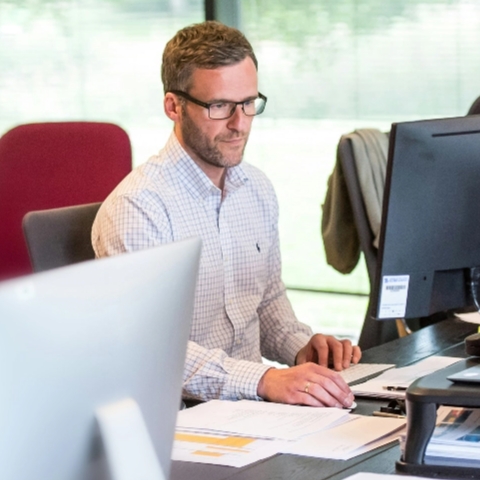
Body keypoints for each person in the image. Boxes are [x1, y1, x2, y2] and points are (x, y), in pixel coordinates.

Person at [92, 20, 361, 408]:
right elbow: (153, 349)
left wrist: (304, 350)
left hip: (253, 412)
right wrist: (266, 379)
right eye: (219, 106)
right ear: (174, 106)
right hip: (182, 421)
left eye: (249, 103)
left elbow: (266, 302)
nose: (240, 124)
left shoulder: (256, 189)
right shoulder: (139, 208)